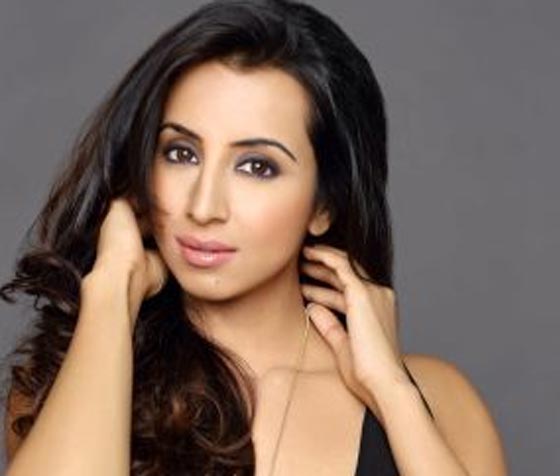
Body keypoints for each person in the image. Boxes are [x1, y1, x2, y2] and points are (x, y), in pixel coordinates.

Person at [1, 0, 508, 474]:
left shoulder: (439, 401)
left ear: (324, 205)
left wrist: (391, 392)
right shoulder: (70, 380)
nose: (203, 208)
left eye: (257, 166)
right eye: (181, 154)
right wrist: (112, 292)